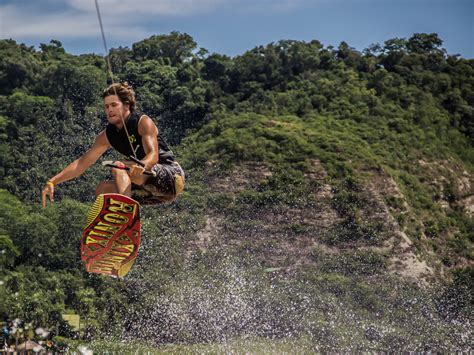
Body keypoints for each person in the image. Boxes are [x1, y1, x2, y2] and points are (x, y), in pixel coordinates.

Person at [41, 82, 185, 206]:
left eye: (114, 105)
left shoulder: (142, 122)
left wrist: (142, 165)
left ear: (126, 105)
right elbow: (81, 164)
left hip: (171, 176)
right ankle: (118, 230)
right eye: (106, 106)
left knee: (118, 166)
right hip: (154, 192)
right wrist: (53, 181)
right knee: (102, 190)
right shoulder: (107, 136)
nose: (109, 109)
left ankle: (124, 215)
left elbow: (153, 156)